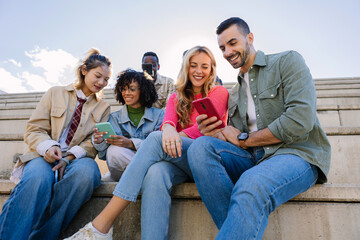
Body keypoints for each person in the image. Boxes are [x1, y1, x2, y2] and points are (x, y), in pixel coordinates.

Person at [187, 17, 331, 239]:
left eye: (233, 43)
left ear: (250, 38)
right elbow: (236, 141)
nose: (227, 52)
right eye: (222, 48)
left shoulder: (287, 61)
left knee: (251, 182)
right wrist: (217, 133)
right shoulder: (234, 94)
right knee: (200, 147)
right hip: (254, 158)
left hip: (297, 154)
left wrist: (246, 139)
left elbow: (300, 120)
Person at [66, 45, 229, 240]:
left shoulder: (219, 92)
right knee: (155, 172)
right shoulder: (175, 97)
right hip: (179, 159)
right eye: (193, 65)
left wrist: (175, 134)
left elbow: (207, 127)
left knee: (153, 140)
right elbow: (167, 124)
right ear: (186, 67)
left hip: (205, 156)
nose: (198, 71)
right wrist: (169, 129)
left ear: (212, 69)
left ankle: (101, 225)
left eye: (205, 66)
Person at [0, 49, 112, 240]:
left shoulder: (104, 107)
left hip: (75, 159)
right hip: (42, 154)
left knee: (88, 174)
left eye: (106, 80)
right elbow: (34, 129)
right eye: (98, 76)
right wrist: (49, 147)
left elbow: (91, 143)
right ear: (84, 70)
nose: (101, 83)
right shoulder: (55, 93)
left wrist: (68, 159)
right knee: (38, 180)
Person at [94, 69, 164, 182]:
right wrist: (100, 142)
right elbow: (104, 156)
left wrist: (131, 144)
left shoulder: (160, 115)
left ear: (144, 90)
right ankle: (138, 178)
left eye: (132, 89)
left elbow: (160, 148)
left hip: (151, 164)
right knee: (113, 151)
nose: (126, 93)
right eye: (123, 89)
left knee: (158, 166)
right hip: (129, 168)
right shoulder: (114, 118)